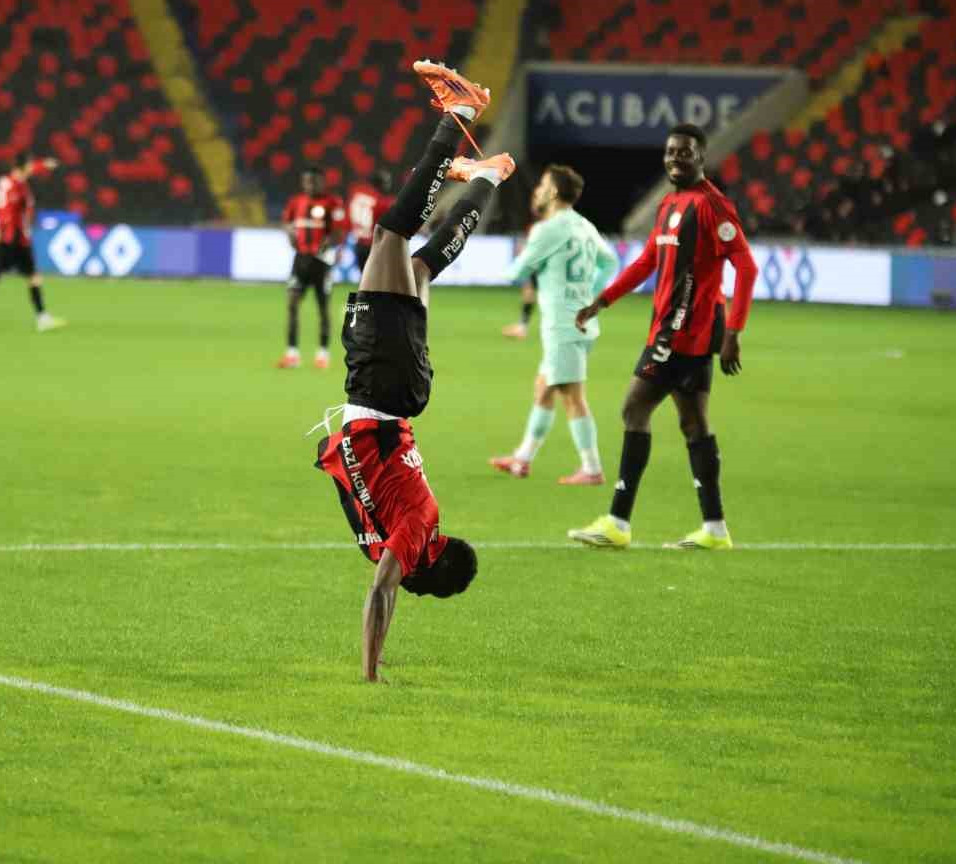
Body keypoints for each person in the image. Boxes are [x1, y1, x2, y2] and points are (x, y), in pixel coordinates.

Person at [312, 59, 512, 682]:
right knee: (389, 235)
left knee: (419, 266)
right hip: (384, 385)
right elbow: (381, 589)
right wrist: (370, 671)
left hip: (395, 388)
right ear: (432, 561)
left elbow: (389, 590)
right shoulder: (416, 530)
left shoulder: (407, 539)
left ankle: (486, 179)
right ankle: (459, 114)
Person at [568, 123, 758, 551]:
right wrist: (603, 300)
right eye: (671, 151)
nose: (675, 158)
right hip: (672, 333)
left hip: (681, 336)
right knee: (694, 425)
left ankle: (618, 520)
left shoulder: (713, 206)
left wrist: (735, 332)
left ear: (701, 157)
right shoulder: (670, 204)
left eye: (685, 152)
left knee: (634, 410)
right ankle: (714, 527)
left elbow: (746, 267)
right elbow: (648, 261)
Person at [489, 165, 618, 485]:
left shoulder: (548, 230)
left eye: (543, 185)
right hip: (582, 322)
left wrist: (522, 258)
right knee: (544, 389)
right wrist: (590, 296)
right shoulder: (584, 225)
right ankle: (522, 459)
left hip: (564, 325)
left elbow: (515, 274)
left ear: (555, 193)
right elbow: (611, 261)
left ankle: (591, 468)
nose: (537, 190)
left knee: (572, 396)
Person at [0, 154, 63, 331]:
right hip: (12, 238)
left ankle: (41, 318)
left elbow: (32, 169)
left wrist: (44, 164)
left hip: (19, 238)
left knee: (30, 277)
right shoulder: (14, 186)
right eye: (29, 166)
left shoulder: (14, 182)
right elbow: (7, 211)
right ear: (22, 167)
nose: (31, 169)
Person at [278, 168, 347, 369]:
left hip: (321, 263)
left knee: (323, 308)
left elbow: (339, 232)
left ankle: (322, 355)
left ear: (322, 182)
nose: (310, 186)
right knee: (292, 303)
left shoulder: (333, 203)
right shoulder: (296, 202)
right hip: (300, 260)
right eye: (307, 182)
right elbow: (287, 223)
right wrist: (289, 234)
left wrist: (330, 242)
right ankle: (292, 355)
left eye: (314, 182)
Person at [345, 168, 395, 274]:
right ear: (381, 184)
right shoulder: (382, 202)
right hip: (375, 244)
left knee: (364, 280)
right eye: (387, 182)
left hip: (358, 244)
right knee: (378, 281)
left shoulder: (357, 195)